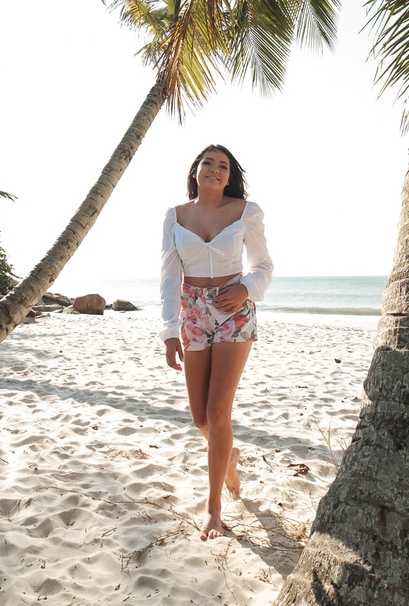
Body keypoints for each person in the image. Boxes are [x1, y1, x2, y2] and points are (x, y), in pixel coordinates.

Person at [160, 144, 273, 539]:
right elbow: (169, 278)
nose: (215, 169)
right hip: (192, 311)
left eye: (223, 166)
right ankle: (229, 455)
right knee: (200, 418)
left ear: (230, 176)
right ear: (195, 170)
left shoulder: (245, 211)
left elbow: (263, 266)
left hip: (233, 309)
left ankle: (214, 509)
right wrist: (168, 330)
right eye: (208, 163)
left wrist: (245, 289)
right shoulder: (175, 216)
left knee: (217, 410)